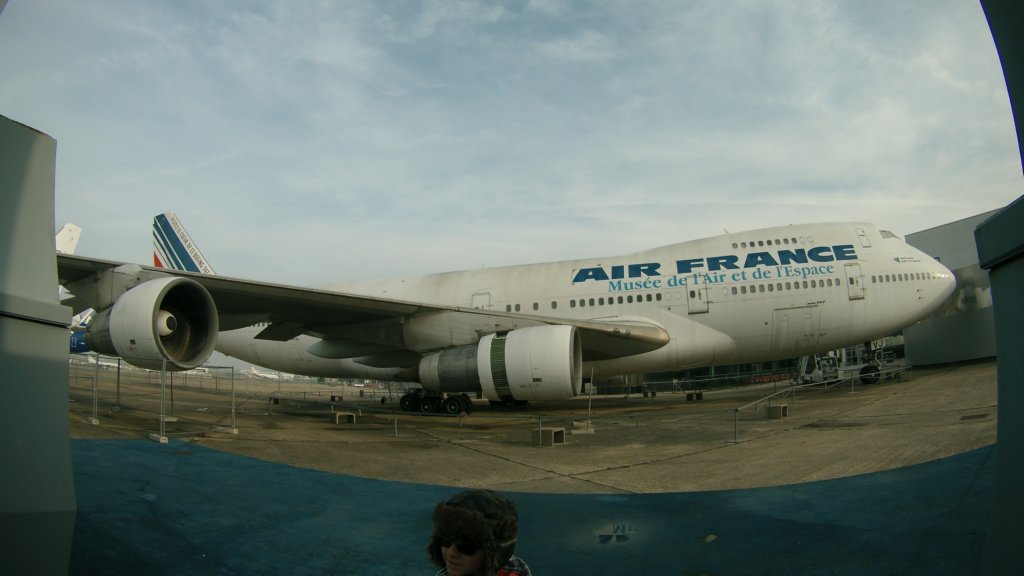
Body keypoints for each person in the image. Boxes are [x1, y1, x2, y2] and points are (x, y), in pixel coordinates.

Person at [427, 489, 531, 576]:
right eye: (445, 541)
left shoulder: (516, 571)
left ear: (493, 551)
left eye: (466, 547)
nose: (451, 553)